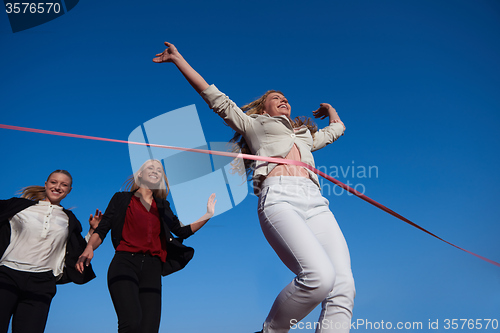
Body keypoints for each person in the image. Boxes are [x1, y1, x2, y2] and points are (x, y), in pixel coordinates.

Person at [153, 42, 355, 333]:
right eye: (276, 98)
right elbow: (214, 98)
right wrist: (179, 60)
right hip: (280, 199)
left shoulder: (305, 136)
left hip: (316, 202)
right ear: (264, 107)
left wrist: (332, 110)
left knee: (344, 285)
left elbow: (337, 130)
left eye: (286, 97)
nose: (284, 99)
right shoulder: (253, 124)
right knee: (319, 278)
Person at [76, 159, 216, 333]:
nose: (156, 171)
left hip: (152, 268)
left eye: (159, 169)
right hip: (124, 263)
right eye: (150, 167)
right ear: (140, 174)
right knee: (131, 322)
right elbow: (103, 229)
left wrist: (208, 214)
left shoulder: (163, 206)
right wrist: (89, 247)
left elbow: (181, 231)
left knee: (149, 328)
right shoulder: (121, 199)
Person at [0, 170, 98, 333]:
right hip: (7, 275)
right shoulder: (18, 207)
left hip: (42, 282)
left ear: (69, 190)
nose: (58, 187)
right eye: (54, 182)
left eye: (64, 185)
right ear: (46, 185)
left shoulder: (69, 219)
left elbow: (76, 252)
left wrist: (92, 231)